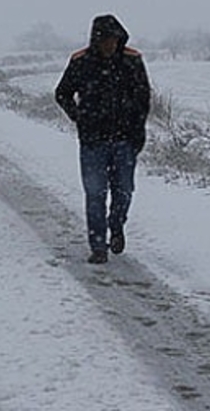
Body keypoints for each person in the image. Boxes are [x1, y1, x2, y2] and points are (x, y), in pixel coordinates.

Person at [55, 14, 151, 264]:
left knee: (124, 191)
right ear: (96, 40)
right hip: (93, 142)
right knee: (95, 193)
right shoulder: (80, 62)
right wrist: (79, 117)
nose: (110, 45)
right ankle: (98, 246)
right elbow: (62, 93)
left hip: (124, 140)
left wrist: (137, 131)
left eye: (114, 40)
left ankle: (116, 225)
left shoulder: (133, 60)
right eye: (105, 40)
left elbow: (143, 99)